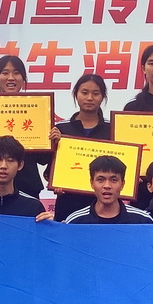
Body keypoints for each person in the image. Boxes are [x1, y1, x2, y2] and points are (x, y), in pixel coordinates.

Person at [0, 55, 49, 198]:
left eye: (16, 73)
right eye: (5, 73)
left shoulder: (37, 109)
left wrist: (51, 140)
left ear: (23, 78)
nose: (11, 78)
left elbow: (43, 159)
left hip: (28, 182)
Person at [50, 73, 110, 221]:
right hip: (69, 201)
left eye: (96, 93)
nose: (89, 98)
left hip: (104, 202)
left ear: (103, 97)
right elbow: (49, 166)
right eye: (84, 92)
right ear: (76, 94)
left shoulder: (112, 129)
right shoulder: (61, 129)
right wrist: (56, 183)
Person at [63, 157, 153, 224]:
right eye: (100, 180)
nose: (107, 186)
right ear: (92, 183)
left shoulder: (143, 220)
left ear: (122, 184)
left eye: (113, 180)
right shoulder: (75, 221)